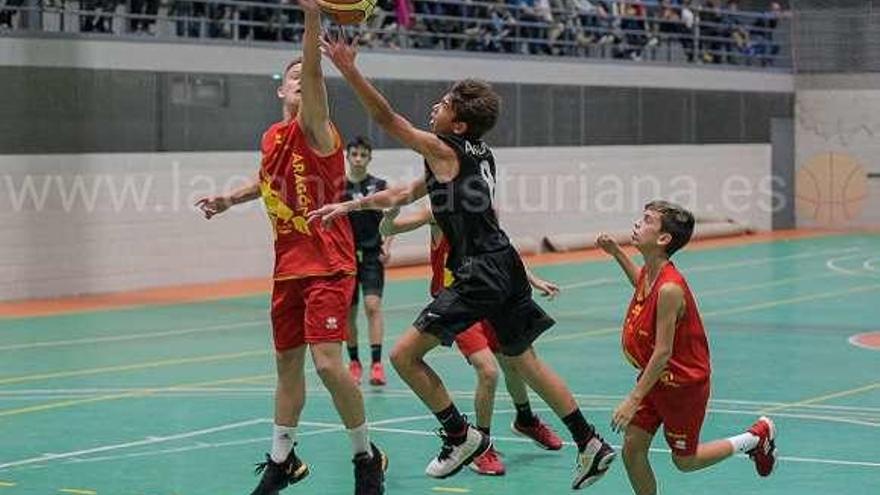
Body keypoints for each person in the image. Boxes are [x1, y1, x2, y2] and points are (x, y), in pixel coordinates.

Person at [309, 32, 616, 489]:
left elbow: (385, 117)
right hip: (505, 264)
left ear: (458, 125)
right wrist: (348, 206)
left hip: (480, 270)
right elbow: (403, 194)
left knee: (404, 355)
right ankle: (590, 442)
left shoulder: (443, 148)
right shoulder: (477, 153)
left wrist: (349, 69)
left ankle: (460, 435)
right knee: (525, 361)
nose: (435, 107)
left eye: (444, 104)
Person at [194, 2, 386, 493]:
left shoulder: (319, 129)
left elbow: (315, 76)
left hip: (329, 265)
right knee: (286, 366)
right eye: (293, 75)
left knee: (327, 363)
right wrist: (227, 200)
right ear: (280, 90)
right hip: (288, 269)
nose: (302, 77)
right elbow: (267, 183)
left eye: (308, 74)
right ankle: (283, 460)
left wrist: (311, 18)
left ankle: (366, 457)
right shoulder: (272, 136)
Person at [596, 201, 777, 495]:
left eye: (647, 221)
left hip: (683, 385)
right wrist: (617, 253)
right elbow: (640, 284)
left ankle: (755, 438)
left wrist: (632, 399)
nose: (637, 224)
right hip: (655, 378)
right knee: (632, 448)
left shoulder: (670, 288)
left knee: (685, 461)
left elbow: (663, 351)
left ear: (664, 239)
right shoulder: (651, 272)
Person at [379, 205, 565, 476]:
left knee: (513, 361)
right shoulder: (437, 210)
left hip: (488, 296)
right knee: (488, 371)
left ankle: (525, 419)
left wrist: (532, 279)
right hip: (457, 304)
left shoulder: (482, 206)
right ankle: (481, 447)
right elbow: (392, 228)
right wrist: (390, 214)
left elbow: (502, 251)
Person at [343, 136, 392, 387]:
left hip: (372, 255)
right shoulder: (338, 187)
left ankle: (376, 364)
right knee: (348, 313)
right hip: (345, 259)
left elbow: (392, 215)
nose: (359, 158)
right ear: (348, 156)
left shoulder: (379, 185)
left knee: (372, 306)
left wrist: (388, 246)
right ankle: (354, 362)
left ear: (369, 158)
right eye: (355, 154)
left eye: (363, 154)